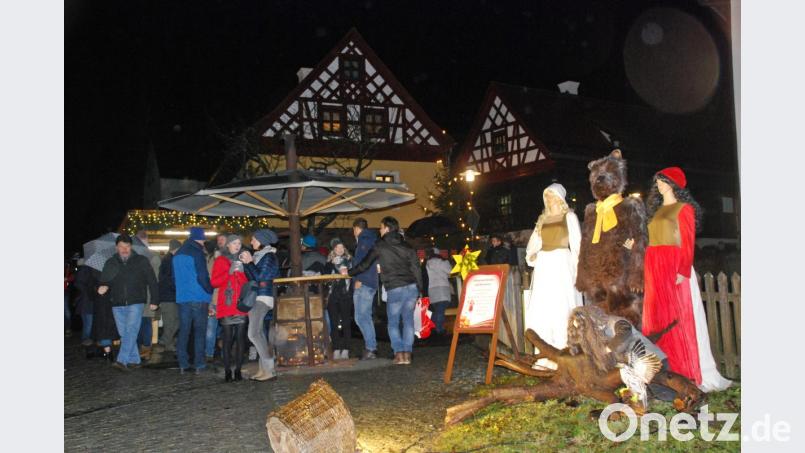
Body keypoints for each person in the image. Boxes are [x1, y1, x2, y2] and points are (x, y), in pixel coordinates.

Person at [642, 167, 703, 385]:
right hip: (654, 263)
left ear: (673, 183)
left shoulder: (684, 209)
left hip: (672, 262)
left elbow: (688, 240)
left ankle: (682, 369)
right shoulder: (657, 211)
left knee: (675, 315)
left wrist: (683, 270)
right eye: (657, 181)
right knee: (656, 314)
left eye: (662, 181)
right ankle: (658, 369)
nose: (658, 185)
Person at [348, 216, 423, 365]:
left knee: (393, 322)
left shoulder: (380, 246)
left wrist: (350, 272)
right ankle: (407, 354)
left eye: (381, 227)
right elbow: (416, 269)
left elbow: (365, 264)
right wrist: (420, 289)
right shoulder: (407, 246)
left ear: (387, 228)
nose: (380, 230)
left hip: (395, 287)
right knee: (408, 321)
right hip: (411, 287)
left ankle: (399, 354)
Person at [524, 183, 583, 369]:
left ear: (559, 197)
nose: (548, 199)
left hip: (562, 264)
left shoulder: (569, 217)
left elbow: (577, 245)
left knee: (562, 306)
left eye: (551, 195)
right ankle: (545, 357)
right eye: (546, 196)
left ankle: (566, 356)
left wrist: (577, 271)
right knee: (545, 307)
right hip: (545, 266)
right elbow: (534, 244)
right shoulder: (543, 219)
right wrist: (532, 256)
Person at [98, 234, 159, 371]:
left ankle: (122, 360)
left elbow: (152, 281)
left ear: (131, 247)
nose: (124, 249)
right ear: (116, 247)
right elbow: (104, 280)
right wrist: (103, 286)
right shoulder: (111, 262)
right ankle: (134, 360)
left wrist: (155, 300)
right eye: (121, 247)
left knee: (131, 330)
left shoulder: (141, 260)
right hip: (117, 303)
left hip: (136, 302)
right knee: (124, 333)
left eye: (127, 246)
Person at [173, 227, 214, 374]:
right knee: (199, 332)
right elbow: (202, 276)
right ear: (200, 239)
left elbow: (174, 278)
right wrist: (210, 289)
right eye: (203, 240)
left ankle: (183, 364)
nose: (203, 243)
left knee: (184, 331)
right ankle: (199, 364)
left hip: (182, 298)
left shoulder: (177, 254)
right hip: (198, 296)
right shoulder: (197, 253)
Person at [240, 229, 280, 381]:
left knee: (253, 334)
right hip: (256, 297)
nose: (251, 242)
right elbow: (252, 277)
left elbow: (260, 277)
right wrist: (246, 264)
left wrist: (250, 262)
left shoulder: (269, 256)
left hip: (263, 297)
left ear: (261, 241)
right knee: (259, 334)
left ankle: (269, 369)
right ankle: (263, 369)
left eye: (254, 239)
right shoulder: (260, 256)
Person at [211, 235, 249, 382]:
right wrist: (229, 273)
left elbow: (246, 283)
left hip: (240, 305)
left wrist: (242, 271)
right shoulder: (221, 260)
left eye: (239, 243)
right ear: (227, 245)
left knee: (240, 340)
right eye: (234, 243)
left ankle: (238, 370)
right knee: (227, 339)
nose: (237, 246)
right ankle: (227, 371)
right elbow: (214, 282)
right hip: (226, 305)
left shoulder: (242, 260)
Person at [350, 218, 379, 359]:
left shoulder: (364, 240)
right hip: (370, 282)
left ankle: (371, 348)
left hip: (364, 283)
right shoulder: (371, 239)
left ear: (356, 228)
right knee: (362, 317)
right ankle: (371, 347)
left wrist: (359, 279)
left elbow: (363, 263)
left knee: (362, 317)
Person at [324, 238, 353, 360]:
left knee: (346, 322)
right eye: (337, 247)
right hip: (333, 295)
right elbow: (324, 276)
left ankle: (346, 349)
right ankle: (336, 348)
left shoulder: (349, 261)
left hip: (345, 295)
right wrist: (332, 266)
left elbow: (353, 276)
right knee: (334, 323)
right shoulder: (329, 262)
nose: (340, 249)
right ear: (333, 250)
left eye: (341, 247)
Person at [135, 230, 162, 361]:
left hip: (143, 295)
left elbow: (154, 280)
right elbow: (156, 279)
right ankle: (144, 349)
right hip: (147, 295)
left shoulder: (144, 256)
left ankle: (142, 349)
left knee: (142, 322)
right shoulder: (153, 256)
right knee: (144, 322)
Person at [154, 239, 181, 353]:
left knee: (174, 320)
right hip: (169, 296)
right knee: (171, 321)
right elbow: (169, 280)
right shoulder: (170, 261)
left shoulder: (168, 259)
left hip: (169, 296)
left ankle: (165, 340)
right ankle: (168, 344)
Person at [425, 248, 452, 336]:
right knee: (440, 311)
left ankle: (432, 328)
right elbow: (450, 272)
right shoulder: (443, 262)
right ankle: (439, 330)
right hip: (442, 289)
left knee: (436, 311)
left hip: (432, 290)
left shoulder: (427, 264)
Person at [72, 259, 96, 346]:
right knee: (89, 321)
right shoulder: (86, 269)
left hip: (84, 300)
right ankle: (86, 339)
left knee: (87, 321)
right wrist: (89, 290)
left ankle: (86, 338)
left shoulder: (83, 270)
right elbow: (79, 284)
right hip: (87, 300)